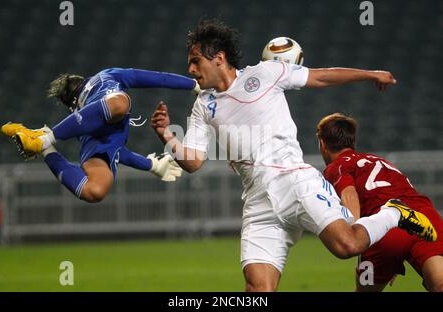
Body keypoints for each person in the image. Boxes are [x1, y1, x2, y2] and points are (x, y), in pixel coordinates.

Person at [150, 19, 436, 291]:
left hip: (294, 181)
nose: (190, 69)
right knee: (257, 287)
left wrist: (369, 74)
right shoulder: (203, 104)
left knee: (347, 246)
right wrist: (167, 136)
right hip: (257, 201)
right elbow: (193, 162)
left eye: (195, 60)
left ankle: (394, 212)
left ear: (219, 58)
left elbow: (321, 77)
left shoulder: (265, 72)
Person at [1, 68, 200, 202]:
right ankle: (44, 142)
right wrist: (191, 84)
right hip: (109, 117)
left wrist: (152, 165)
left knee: (118, 106)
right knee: (95, 191)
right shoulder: (106, 76)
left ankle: (44, 142)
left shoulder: (80, 118)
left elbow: (117, 150)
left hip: (99, 132)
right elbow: (155, 77)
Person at [316, 112, 443, 292]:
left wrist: (355, 234)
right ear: (352, 142)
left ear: (322, 144)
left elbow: (349, 193)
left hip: (386, 225)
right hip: (426, 217)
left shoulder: (336, 167)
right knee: (439, 284)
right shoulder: (379, 160)